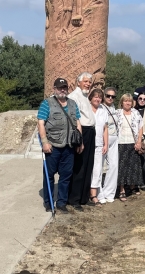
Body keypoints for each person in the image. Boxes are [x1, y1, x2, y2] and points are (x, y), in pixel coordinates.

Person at [37, 77, 82, 214]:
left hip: (69, 146)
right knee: (49, 175)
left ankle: (61, 202)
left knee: (66, 176)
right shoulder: (47, 104)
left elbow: (78, 123)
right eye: (60, 87)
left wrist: (80, 142)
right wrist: (45, 143)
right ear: (54, 89)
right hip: (53, 145)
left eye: (65, 88)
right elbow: (41, 123)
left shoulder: (73, 104)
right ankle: (49, 202)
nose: (63, 90)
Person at [68, 72, 96, 210]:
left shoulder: (85, 96)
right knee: (79, 166)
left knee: (88, 165)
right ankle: (74, 199)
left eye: (89, 82)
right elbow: (74, 120)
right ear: (78, 82)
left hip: (90, 131)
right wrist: (79, 140)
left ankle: (84, 197)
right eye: (85, 81)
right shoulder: (74, 96)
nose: (88, 84)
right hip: (82, 132)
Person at [115, 94, 144, 200]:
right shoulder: (117, 113)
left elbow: (141, 127)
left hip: (133, 143)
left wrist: (139, 141)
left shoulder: (136, 113)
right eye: (125, 101)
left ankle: (132, 186)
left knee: (133, 166)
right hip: (120, 143)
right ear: (121, 102)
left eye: (129, 101)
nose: (127, 103)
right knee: (122, 167)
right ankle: (122, 189)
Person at [88, 88, 109, 205]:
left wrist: (106, 144)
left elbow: (105, 129)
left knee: (97, 170)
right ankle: (83, 192)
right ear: (91, 97)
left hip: (98, 144)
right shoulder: (86, 108)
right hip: (87, 143)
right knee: (86, 169)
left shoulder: (103, 110)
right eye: (96, 96)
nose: (98, 99)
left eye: (100, 97)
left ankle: (93, 195)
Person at [99, 86, 119, 204]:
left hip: (114, 138)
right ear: (104, 96)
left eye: (113, 96)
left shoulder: (114, 108)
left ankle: (109, 192)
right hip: (103, 139)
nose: (110, 98)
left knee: (113, 166)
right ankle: (99, 193)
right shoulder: (100, 108)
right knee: (99, 167)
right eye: (108, 96)